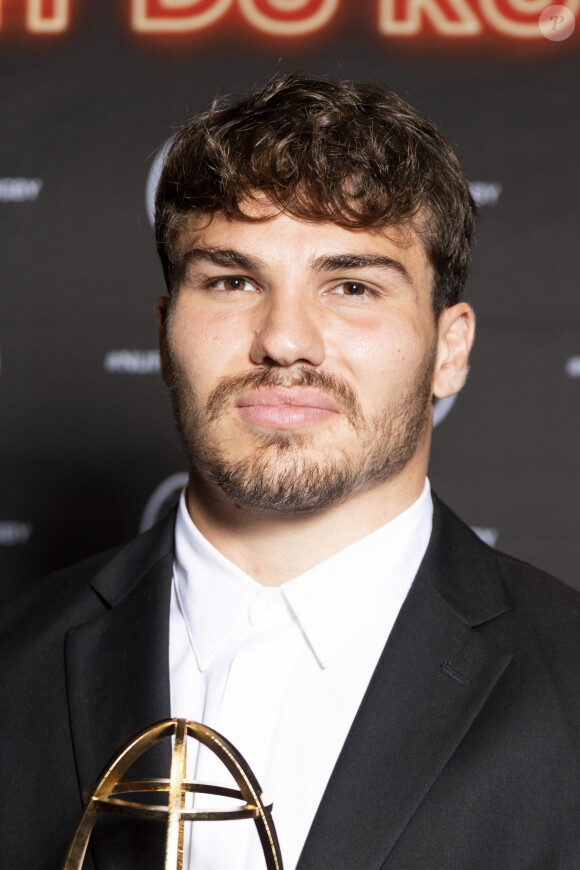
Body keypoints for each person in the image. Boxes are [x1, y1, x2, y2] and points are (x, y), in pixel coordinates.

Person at [1, 73, 579, 870]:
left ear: (451, 349)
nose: (284, 340)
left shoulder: (569, 685)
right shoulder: (12, 665)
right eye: (233, 281)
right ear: (168, 332)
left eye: (351, 285)